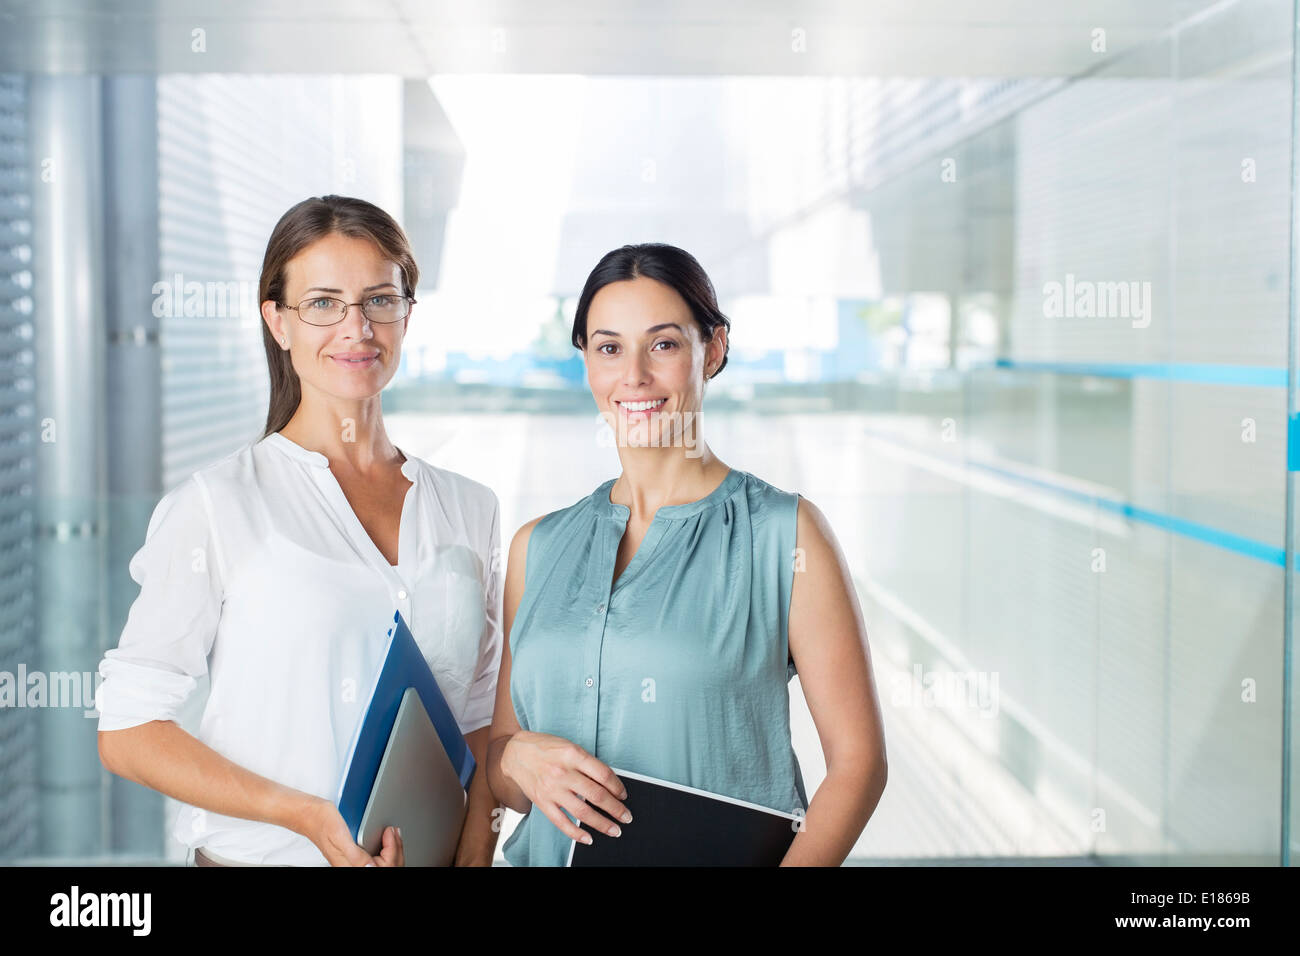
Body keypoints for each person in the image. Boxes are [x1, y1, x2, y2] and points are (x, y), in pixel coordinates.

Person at [96, 195, 503, 867]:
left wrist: (474, 854)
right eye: (323, 304)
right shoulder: (218, 505)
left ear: (407, 313)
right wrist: (304, 815)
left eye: (379, 300)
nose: (356, 328)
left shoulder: (472, 507)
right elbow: (128, 730)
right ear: (278, 322)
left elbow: (480, 720)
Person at [486, 242, 887, 866]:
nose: (634, 376)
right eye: (609, 348)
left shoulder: (784, 535)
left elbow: (859, 765)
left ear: (714, 349)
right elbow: (503, 772)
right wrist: (515, 756)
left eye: (664, 344)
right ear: (586, 360)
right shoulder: (536, 547)